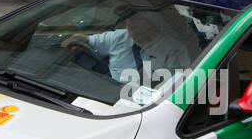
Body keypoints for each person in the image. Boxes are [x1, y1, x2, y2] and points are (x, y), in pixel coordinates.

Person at [62, 9, 202, 83]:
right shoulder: (120, 36)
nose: (130, 24)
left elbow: (174, 88)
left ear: (152, 22)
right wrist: (72, 44)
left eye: (136, 20)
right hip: (106, 95)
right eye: (128, 20)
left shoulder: (175, 51)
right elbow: (85, 39)